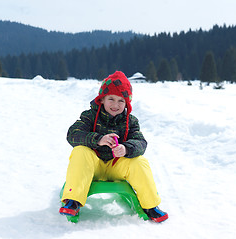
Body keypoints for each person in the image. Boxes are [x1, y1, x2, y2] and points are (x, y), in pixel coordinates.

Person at [59, 71, 168, 223]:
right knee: (80, 151)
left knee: (139, 161)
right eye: (111, 99)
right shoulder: (89, 116)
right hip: (92, 166)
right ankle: (73, 199)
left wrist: (126, 149)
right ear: (102, 99)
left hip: (116, 166)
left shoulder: (131, 121)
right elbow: (73, 134)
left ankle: (150, 205)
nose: (115, 105)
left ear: (127, 103)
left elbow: (141, 143)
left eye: (121, 101)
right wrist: (98, 139)